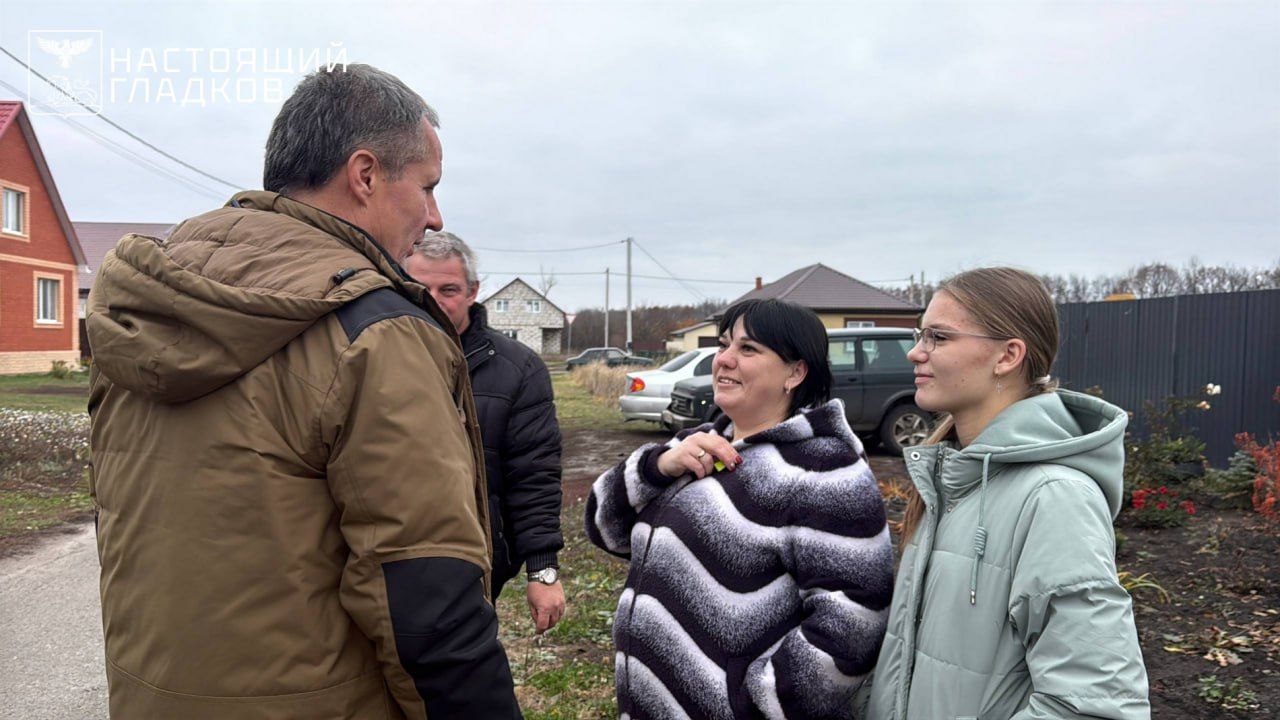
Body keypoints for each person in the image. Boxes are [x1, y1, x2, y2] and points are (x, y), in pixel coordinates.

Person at [85, 64, 520, 719]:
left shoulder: (149, 306)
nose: (434, 218)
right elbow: (425, 600)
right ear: (366, 174)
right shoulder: (375, 332)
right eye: (428, 188)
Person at [585, 298, 894, 720]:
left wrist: (759, 705)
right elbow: (604, 527)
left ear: (796, 372)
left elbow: (855, 622)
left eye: (748, 350)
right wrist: (656, 467)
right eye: (725, 344)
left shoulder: (823, 470)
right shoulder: (697, 445)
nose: (724, 360)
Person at [865, 267, 1150, 719]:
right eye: (921, 335)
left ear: (1007, 356)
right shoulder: (948, 482)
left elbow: (1095, 704)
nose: (916, 352)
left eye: (938, 337)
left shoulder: (1055, 498)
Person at [405, 231, 566, 633]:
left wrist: (542, 571)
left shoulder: (520, 369)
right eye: (420, 288)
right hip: (392, 549)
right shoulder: (376, 355)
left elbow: (534, 473)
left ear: (473, 291)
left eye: (449, 289)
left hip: (474, 560)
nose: (434, 300)